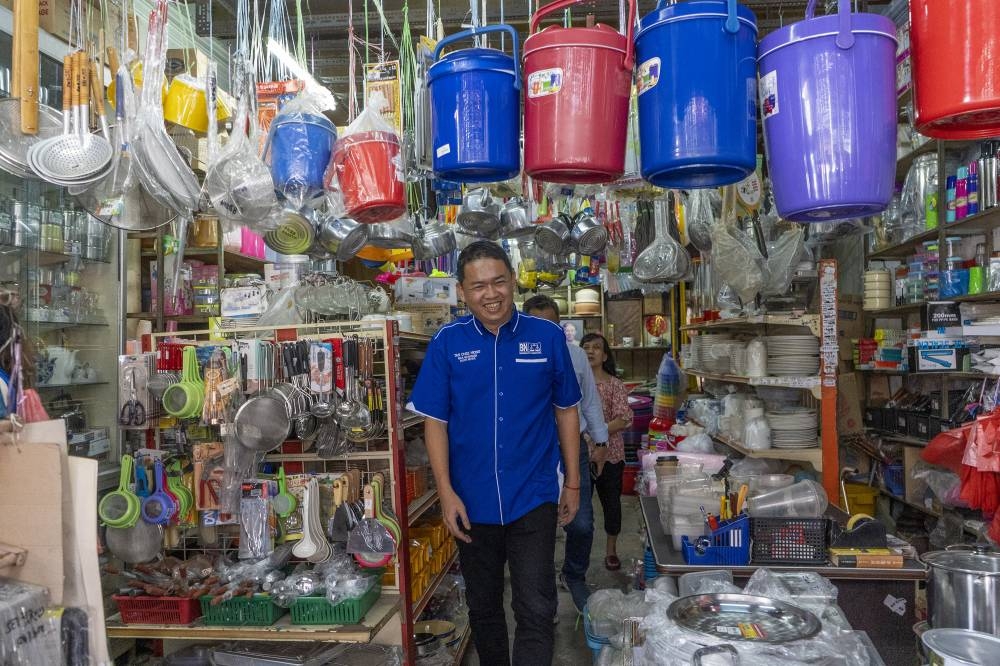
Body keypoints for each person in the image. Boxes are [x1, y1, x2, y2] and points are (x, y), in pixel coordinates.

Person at [407, 241, 582, 666]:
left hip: (534, 494)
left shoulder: (547, 337)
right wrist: (445, 492)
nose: (491, 294)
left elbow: (566, 410)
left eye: (499, 282)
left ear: (513, 281)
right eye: (478, 286)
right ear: (462, 292)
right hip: (471, 500)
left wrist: (574, 483)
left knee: (536, 606)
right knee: (484, 608)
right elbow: (435, 422)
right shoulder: (447, 343)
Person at [522, 294, 608, 615]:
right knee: (538, 528)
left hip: (573, 449)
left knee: (582, 524)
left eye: (551, 326)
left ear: (561, 327)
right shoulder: (515, 358)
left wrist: (601, 441)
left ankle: (573, 574)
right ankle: (543, 595)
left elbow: (589, 402)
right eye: (537, 325)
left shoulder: (575, 356)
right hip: (534, 451)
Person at [580, 333, 633, 570]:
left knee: (611, 504)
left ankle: (611, 550)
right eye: (586, 347)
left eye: (596, 348)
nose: (590, 351)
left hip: (611, 455)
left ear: (605, 356)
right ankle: (579, 556)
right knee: (581, 511)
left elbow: (623, 419)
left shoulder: (615, 385)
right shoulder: (573, 384)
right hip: (580, 454)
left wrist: (595, 433)